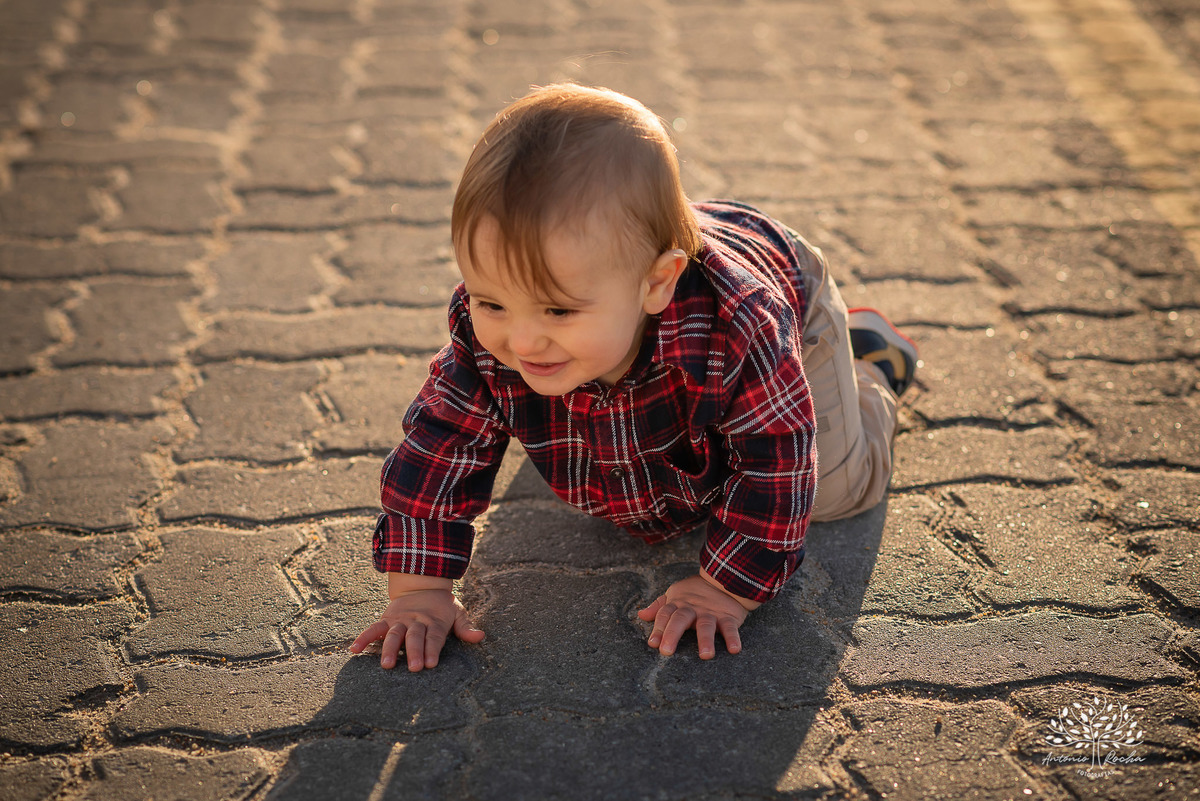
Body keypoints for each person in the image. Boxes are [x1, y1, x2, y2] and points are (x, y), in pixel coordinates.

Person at [350, 83, 918, 672]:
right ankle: (579, 384)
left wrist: (727, 587)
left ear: (656, 283)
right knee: (543, 381)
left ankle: (870, 362)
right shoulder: (507, 321)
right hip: (631, 271)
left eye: (558, 310)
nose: (520, 340)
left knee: (833, 489)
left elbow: (777, 454)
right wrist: (418, 590)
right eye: (492, 302)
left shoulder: (739, 324)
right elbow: (441, 443)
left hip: (793, 301)